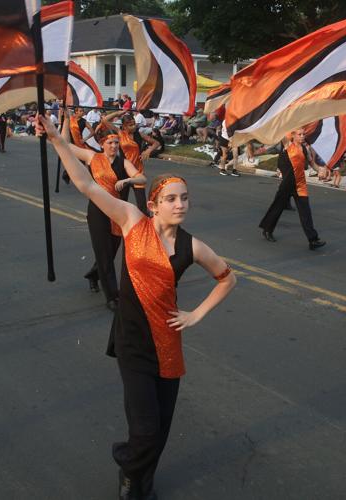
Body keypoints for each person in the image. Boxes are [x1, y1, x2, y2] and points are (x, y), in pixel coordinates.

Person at [36, 112, 236, 500]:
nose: (180, 205)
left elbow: (228, 278)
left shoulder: (192, 246)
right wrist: (58, 139)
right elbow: (84, 183)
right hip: (132, 341)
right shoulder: (132, 221)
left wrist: (197, 314)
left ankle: (142, 481)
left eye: (185, 199)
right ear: (155, 204)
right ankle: (129, 470)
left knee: (159, 428)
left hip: (168, 344)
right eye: (172, 199)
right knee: (144, 430)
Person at [61, 117, 146, 310]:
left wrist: (128, 181)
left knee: (111, 251)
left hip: (118, 213)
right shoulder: (92, 157)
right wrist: (65, 119)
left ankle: (93, 274)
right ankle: (112, 297)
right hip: (98, 212)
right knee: (104, 253)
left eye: (116, 142)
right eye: (110, 143)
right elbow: (65, 145)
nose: (114, 146)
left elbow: (142, 177)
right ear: (102, 144)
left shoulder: (124, 163)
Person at [259, 128, 326, 250]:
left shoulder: (305, 149)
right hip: (287, 184)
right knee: (277, 207)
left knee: (306, 212)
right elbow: (281, 130)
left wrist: (320, 170)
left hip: (300, 184)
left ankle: (313, 240)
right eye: (299, 134)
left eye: (303, 134)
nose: (302, 136)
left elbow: (312, 164)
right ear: (293, 136)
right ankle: (267, 230)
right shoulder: (288, 145)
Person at [114, 112, 160, 215]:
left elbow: (156, 143)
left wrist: (148, 151)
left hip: (137, 172)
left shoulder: (139, 134)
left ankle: (145, 225)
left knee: (142, 205)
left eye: (134, 123)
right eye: (130, 125)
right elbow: (105, 120)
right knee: (122, 201)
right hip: (123, 171)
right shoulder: (120, 133)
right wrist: (121, 112)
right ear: (124, 126)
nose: (134, 126)